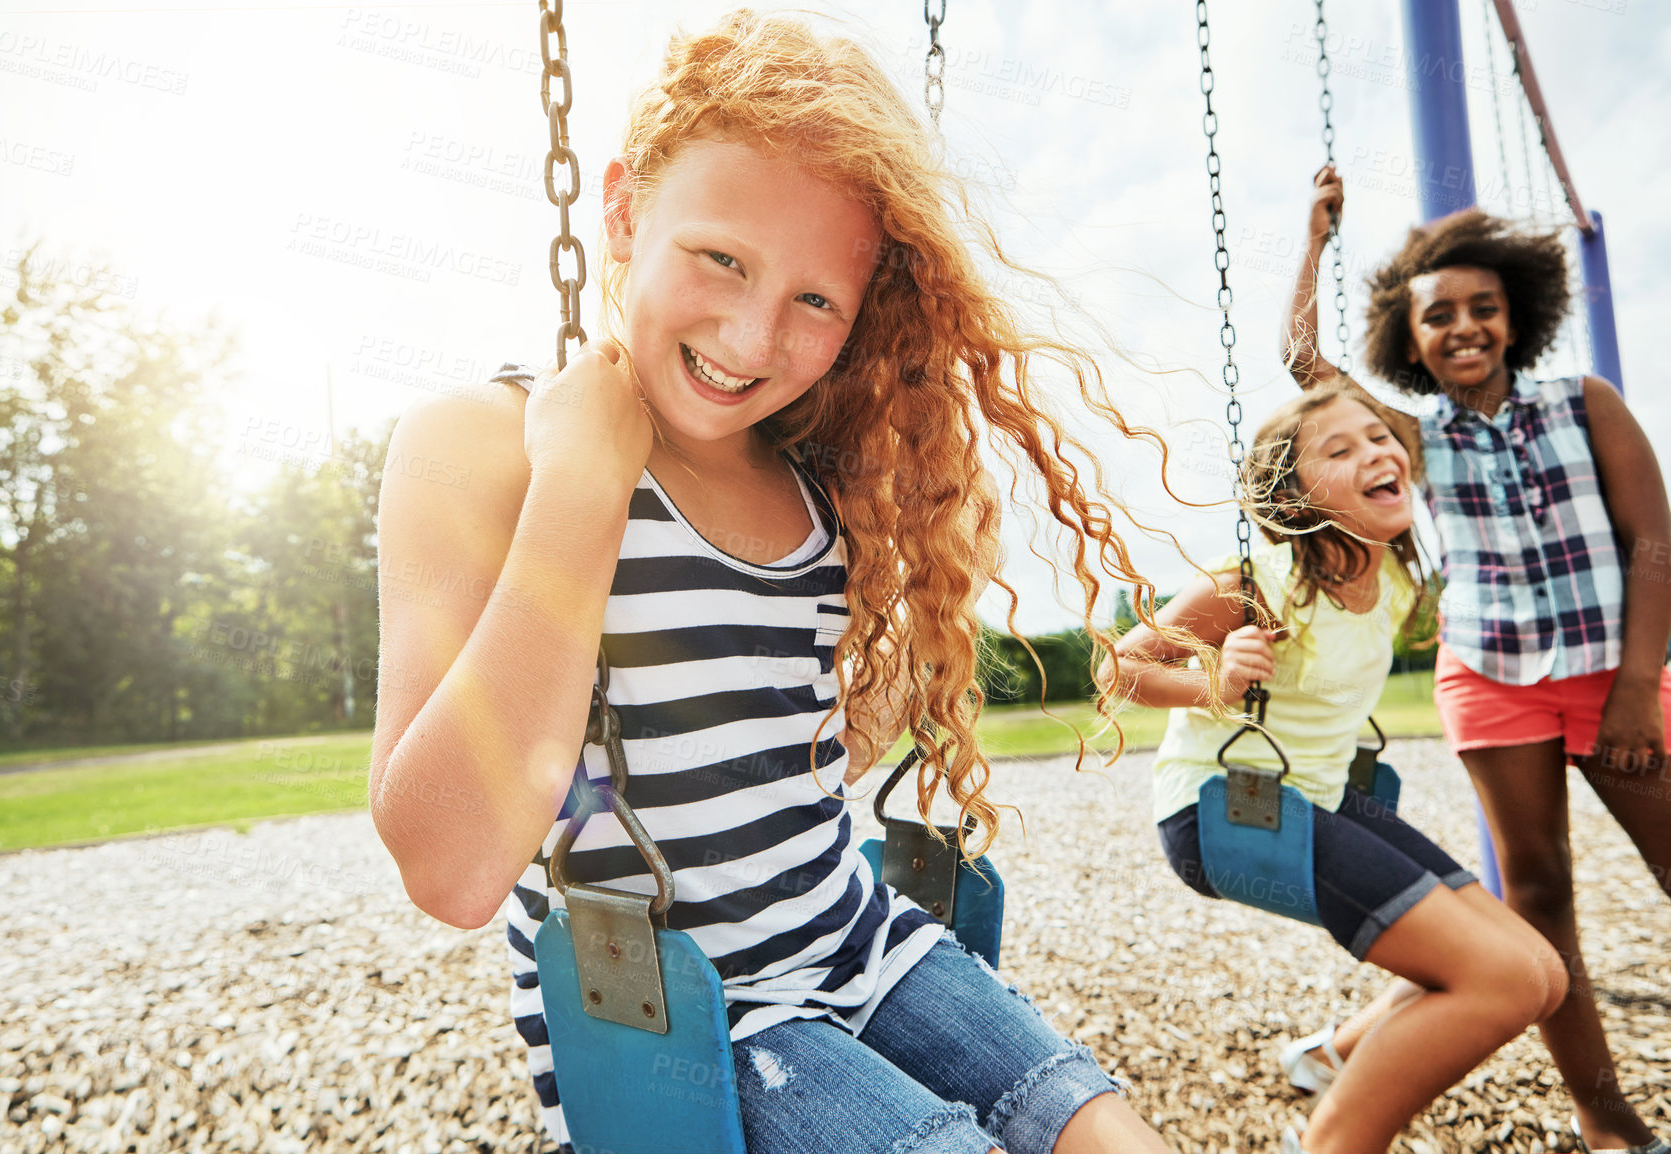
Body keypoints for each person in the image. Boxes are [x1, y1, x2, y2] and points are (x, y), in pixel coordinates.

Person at [369, 11, 1171, 1154]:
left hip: (861, 943)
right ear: (623, 210)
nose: (750, 333)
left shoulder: (813, 486)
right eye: (720, 257)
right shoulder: (485, 444)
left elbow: (785, 760)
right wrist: (582, 496)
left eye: (815, 302)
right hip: (679, 1012)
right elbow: (448, 868)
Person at [1284, 164, 1671, 1154]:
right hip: (1493, 682)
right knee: (1537, 896)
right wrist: (1317, 235)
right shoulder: (1412, 437)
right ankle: (1604, 1113)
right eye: (1437, 314)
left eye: (1482, 308)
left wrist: (1634, 687)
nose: (1462, 326)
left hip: (1606, 673)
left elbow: (1653, 540)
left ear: (1514, 316)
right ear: (1408, 339)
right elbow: (1301, 356)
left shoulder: (1584, 402)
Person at [1102, 383, 1567, 1154]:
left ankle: (1330, 1058)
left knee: (1539, 969)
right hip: (1223, 811)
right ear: (1291, 495)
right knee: (1502, 982)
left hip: (1318, 795)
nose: (1377, 453)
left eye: (1378, 438)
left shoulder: (1392, 578)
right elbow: (1118, 670)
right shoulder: (1256, 582)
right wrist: (1213, 683)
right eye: (1340, 449)